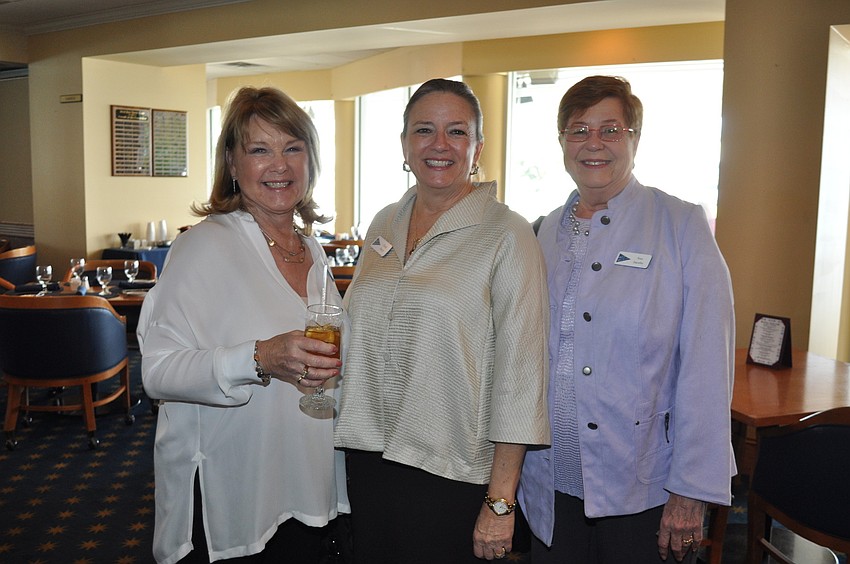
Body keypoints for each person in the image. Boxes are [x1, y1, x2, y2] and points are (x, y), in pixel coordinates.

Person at [518, 75, 736, 564]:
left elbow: (707, 367)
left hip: (643, 488)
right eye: (579, 130)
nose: (593, 143)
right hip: (550, 483)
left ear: (635, 138)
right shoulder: (542, 232)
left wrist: (690, 491)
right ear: (562, 142)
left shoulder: (680, 225)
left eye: (611, 129)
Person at [333, 78, 550, 563]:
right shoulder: (384, 222)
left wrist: (500, 501)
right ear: (404, 144)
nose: (439, 144)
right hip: (369, 457)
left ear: (477, 148)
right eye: (424, 130)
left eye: (456, 131)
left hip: (453, 470)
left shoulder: (507, 234)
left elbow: (521, 378)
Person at [138, 86, 349, 564]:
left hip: (303, 477)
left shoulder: (312, 251)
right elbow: (157, 372)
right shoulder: (204, 246)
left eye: (292, 148)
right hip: (231, 490)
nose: (280, 165)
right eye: (260, 150)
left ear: (311, 160)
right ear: (232, 164)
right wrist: (260, 357)